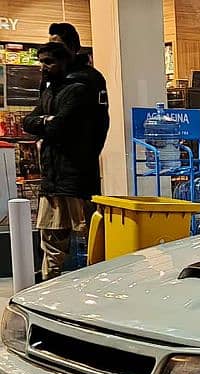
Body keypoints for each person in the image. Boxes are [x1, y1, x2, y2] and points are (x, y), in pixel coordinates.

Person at [22, 43, 97, 280]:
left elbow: (60, 126)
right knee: (51, 239)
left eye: (49, 61)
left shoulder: (79, 90)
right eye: (41, 61)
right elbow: (28, 122)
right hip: (52, 181)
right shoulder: (49, 93)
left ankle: (93, 286)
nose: (43, 67)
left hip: (77, 179)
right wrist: (45, 121)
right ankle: (50, 286)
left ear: (66, 62)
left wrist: (45, 123)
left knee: (88, 238)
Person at [48, 22, 109, 199]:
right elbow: (32, 120)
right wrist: (43, 122)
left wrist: (86, 156)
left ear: (73, 47)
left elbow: (100, 124)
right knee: (52, 226)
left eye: (58, 46)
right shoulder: (51, 79)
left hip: (79, 175)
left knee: (83, 225)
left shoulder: (90, 79)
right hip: (52, 177)